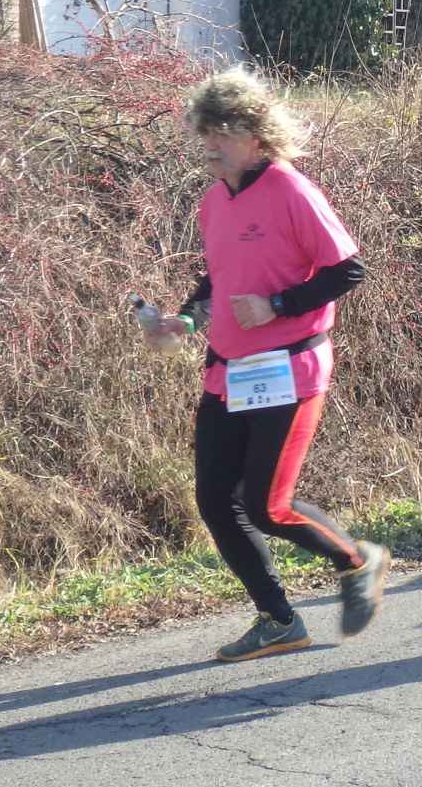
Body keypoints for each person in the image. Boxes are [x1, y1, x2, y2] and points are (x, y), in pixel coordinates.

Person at [143, 69, 390, 661]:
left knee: (267, 505)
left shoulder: (291, 190)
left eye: (222, 133)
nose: (210, 144)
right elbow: (218, 280)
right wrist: (185, 322)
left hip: (289, 368)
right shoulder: (213, 201)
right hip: (229, 370)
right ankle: (279, 620)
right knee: (214, 500)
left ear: (255, 136)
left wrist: (276, 305)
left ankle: (357, 560)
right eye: (205, 132)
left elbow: (348, 269)